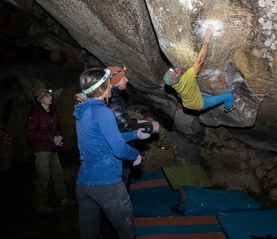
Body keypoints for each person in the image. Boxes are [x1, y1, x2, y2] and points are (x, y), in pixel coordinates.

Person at [73, 68, 150, 239]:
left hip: (84, 184)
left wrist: (134, 134)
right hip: (107, 184)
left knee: (88, 235)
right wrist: (135, 154)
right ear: (105, 85)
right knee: (127, 233)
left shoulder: (82, 110)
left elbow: (103, 138)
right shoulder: (103, 111)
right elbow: (118, 148)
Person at [163, 24, 236, 113]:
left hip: (187, 104)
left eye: (172, 70)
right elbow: (200, 60)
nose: (175, 70)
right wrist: (206, 40)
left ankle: (191, 101)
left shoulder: (174, 84)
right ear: (176, 79)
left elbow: (178, 81)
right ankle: (228, 108)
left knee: (179, 94)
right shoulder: (188, 78)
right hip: (200, 104)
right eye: (175, 73)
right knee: (229, 96)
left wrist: (179, 75)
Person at [25, 87, 76, 214]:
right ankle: (41, 204)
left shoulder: (53, 111)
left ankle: (63, 200)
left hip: (52, 148)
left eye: (50, 96)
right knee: (44, 177)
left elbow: (57, 127)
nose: (51, 98)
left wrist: (59, 136)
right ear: (41, 99)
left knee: (58, 175)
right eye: (48, 96)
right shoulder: (35, 114)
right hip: (41, 149)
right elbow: (29, 134)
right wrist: (51, 138)